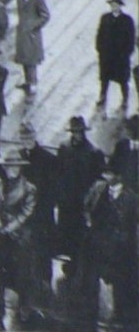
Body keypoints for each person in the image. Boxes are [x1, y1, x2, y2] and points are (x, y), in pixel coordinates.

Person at [0, 149, 39, 329]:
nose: (11, 169)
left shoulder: (29, 188)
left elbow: (26, 213)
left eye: (15, 166)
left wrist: (9, 228)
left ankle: (24, 307)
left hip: (19, 236)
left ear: (20, 168)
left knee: (22, 273)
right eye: (8, 166)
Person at [80, 162, 139, 328]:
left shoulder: (132, 198)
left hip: (121, 247)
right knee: (91, 278)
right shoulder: (98, 190)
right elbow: (86, 207)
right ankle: (90, 314)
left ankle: (121, 316)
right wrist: (89, 222)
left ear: (119, 177)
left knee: (121, 281)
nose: (106, 177)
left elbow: (134, 224)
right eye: (105, 173)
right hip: (97, 242)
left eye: (110, 174)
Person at [55, 115, 105, 279]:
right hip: (66, 203)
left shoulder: (93, 152)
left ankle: (80, 269)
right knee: (67, 236)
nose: (77, 135)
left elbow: (99, 181)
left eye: (79, 132)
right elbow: (58, 173)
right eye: (74, 131)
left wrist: (90, 201)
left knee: (81, 238)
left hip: (83, 204)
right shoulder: (64, 148)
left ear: (84, 132)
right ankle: (70, 266)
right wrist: (60, 196)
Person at [17, 122, 58, 293]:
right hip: (23, 212)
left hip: (42, 213)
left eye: (29, 137)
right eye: (23, 137)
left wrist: (44, 208)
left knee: (43, 249)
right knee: (24, 248)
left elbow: (54, 189)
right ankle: (27, 283)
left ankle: (45, 282)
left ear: (35, 136)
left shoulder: (48, 159)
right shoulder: (18, 157)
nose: (26, 140)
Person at [96, 0, 135, 111]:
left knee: (123, 79)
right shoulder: (105, 18)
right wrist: (100, 49)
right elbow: (99, 35)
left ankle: (125, 99)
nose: (114, 7)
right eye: (112, 5)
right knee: (105, 78)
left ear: (120, 6)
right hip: (107, 55)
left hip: (121, 56)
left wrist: (127, 53)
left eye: (116, 5)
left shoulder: (127, 20)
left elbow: (131, 38)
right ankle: (102, 97)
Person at [13, 0, 49, 96]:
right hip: (22, 34)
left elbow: (45, 16)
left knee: (32, 61)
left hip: (32, 35)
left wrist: (34, 26)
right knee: (24, 59)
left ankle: (33, 85)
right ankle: (28, 82)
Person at [110, 114, 139, 192]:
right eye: (129, 128)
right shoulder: (121, 146)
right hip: (119, 190)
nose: (127, 131)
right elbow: (112, 168)